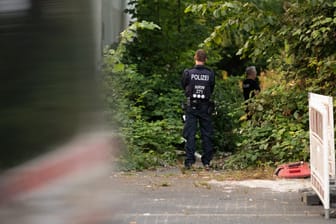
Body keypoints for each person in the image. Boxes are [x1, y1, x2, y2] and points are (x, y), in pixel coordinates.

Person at [181, 49, 215, 170]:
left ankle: (189, 162)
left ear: (195, 58)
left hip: (192, 106)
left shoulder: (188, 72)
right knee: (207, 134)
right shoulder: (210, 73)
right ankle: (207, 162)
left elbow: (184, 86)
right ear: (205, 59)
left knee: (190, 133)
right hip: (205, 106)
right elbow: (211, 88)